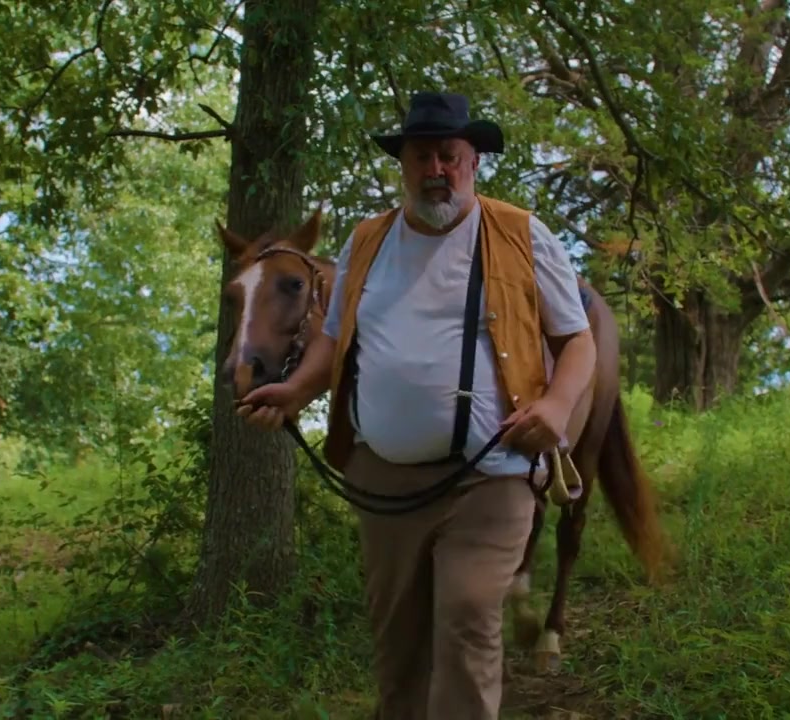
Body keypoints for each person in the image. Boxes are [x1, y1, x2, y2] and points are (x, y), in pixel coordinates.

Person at [236, 91, 596, 720]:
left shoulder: (521, 235)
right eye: (422, 157)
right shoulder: (368, 240)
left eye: (449, 156)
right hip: (385, 482)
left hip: (491, 475)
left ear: (473, 161)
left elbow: (578, 341)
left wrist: (558, 406)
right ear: (402, 165)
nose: (437, 170)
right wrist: (295, 392)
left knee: (467, 616)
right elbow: (333, 340)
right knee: (398, 641)